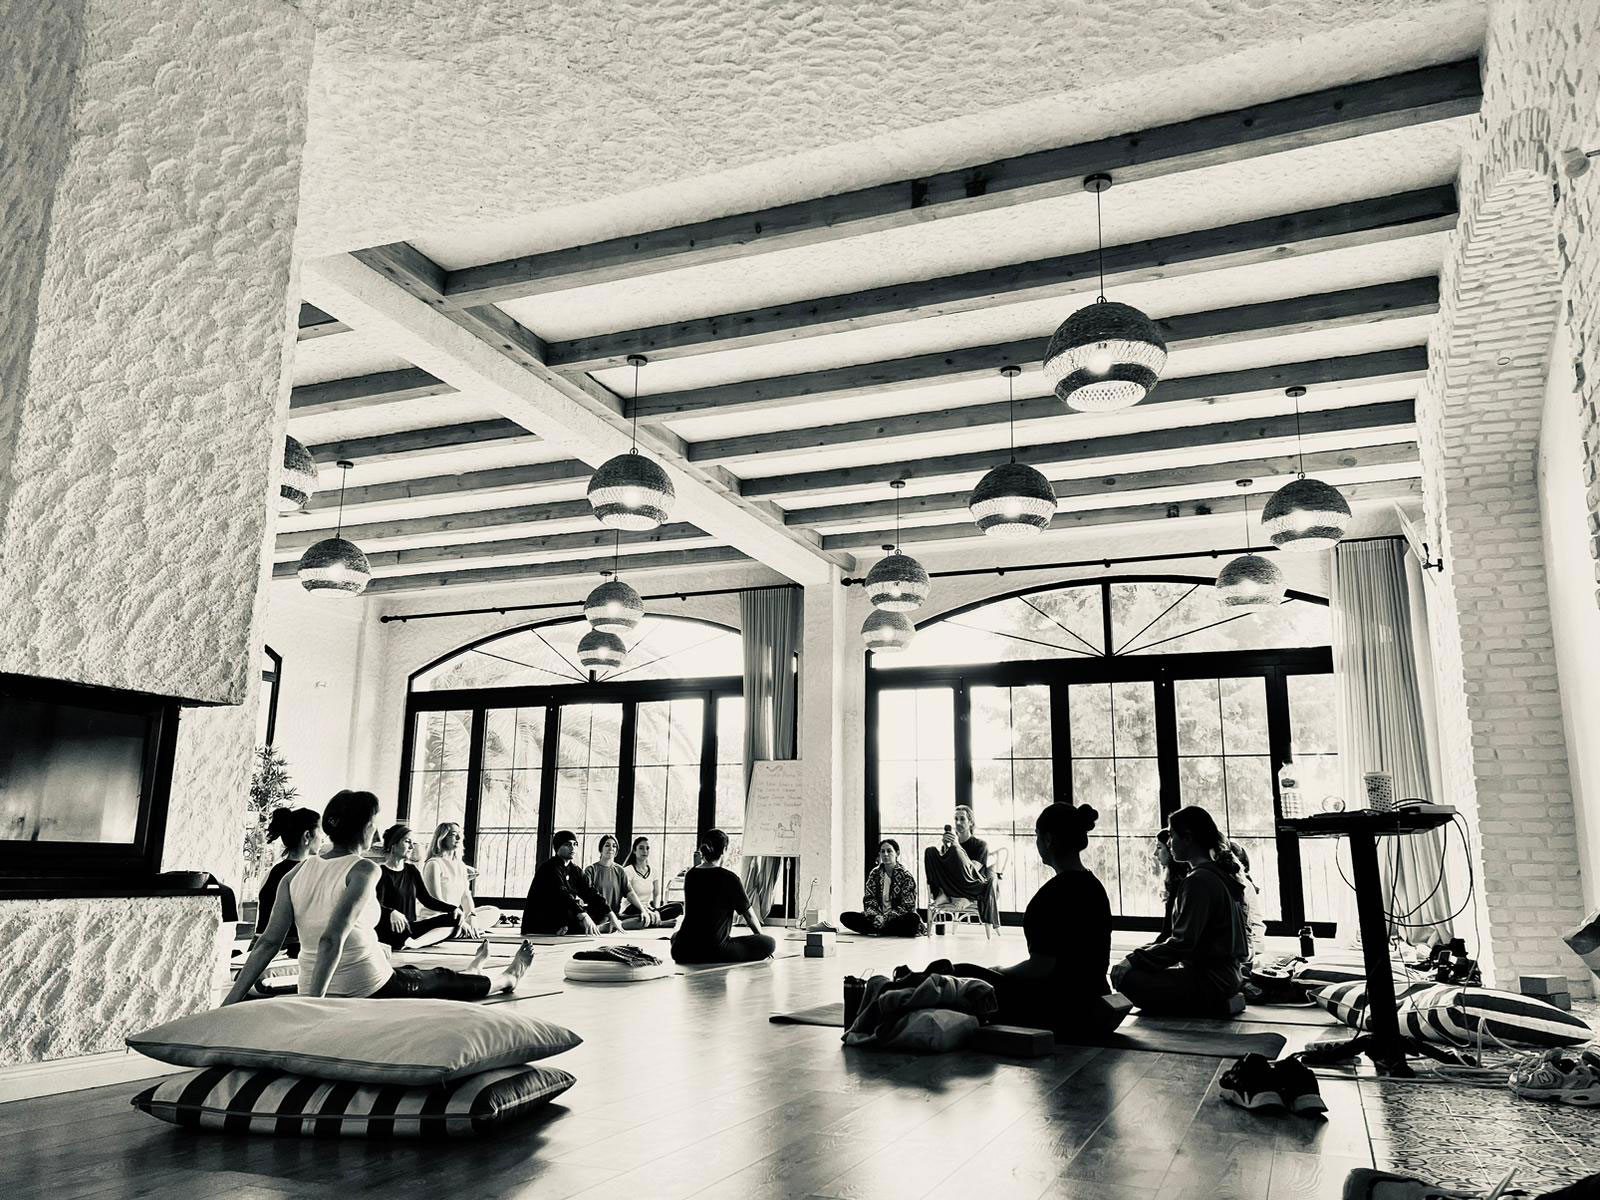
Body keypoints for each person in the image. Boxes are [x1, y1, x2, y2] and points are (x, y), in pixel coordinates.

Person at [225, 790, 533, 1003]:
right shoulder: (364, 870)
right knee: (440, 979)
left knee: (416, 973)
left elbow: (267, 942)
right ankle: (508, 978)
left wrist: (229, 1002)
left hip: (315, 982)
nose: (376, 831)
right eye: (374, 823)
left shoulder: (296, 873)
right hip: (367, 984)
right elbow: (331, 938)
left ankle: (474, 971)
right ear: (364, 828)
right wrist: (312, 1008)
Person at [882, 804, 1118, 1037]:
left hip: (1059, 1007)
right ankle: (901, 988)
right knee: (962, 974)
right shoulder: (1094, 887)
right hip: (1095, 1003)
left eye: (1037, 836)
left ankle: (890, 992)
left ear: (1047, 840)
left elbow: (1041, 967)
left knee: (962, 974)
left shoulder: (1053, 895)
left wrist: (1002, 971)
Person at [1111, 805, 1249, 1017]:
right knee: (1139, 967)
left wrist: (1133, 960)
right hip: (1229, 977)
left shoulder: (1199, 880)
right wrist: (1139, 957)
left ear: (1188, 838)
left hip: (1212, 981)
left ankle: (1214, 1006)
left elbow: (1182, 943)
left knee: (1129, 979)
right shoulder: (1217, 874)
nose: (1168, 842)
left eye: (1172, 835)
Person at [670, 828, 775, 965]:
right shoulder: (729, 878)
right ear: (724, 850)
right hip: (715, 951)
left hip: (682, 951)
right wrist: (760, 939)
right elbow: (749, 915)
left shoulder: (690, 875)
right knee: (769, 942)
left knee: (675, 936)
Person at [374, 823, 464, 951]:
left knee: (455, 920)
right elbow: (374, 904)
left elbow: (427, 900)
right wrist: (391, 912)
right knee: (398, 934)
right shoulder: (380, 872)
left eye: (413, 843)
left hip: (411, 927)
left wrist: (453, 909)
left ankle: (414, 943)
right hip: (390, 928)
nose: (412, 847)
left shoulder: (411, 870)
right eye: (407, 842)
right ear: (393, 844)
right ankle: (408, 941)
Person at [522, 830, 624, 936]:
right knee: (574, 911)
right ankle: (595, 928)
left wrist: (611, 914)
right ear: (557, 847)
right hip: (543, 916)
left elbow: (590, 892)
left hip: (564, 914)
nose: (573, 848)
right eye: (568, 844)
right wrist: (584, 916)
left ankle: (580, 927)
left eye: (575, 844)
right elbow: (563, 896)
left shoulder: (575, 870)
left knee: (600, 913)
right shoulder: (549, 868)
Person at [255, 807, 321, 957]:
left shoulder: (272, 871)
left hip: (260, 949)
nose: (323, 838)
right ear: (307, 835)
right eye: (321, 831)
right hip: (287, 952)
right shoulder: (307, 872)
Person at [923, 805, 999, 928]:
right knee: (930, 851)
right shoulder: (952, 846)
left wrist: (957, 847)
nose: (958, 823)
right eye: (956, 819)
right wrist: (946, 847)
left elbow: (972, 871)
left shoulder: (981, 844)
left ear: (971, 822)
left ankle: (967, 898)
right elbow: (946, 870)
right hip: (952, 884)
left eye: (962, 819)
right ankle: (943, 893)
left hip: (972, 886)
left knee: (955, 851)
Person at [420, 821, 502, 933]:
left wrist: (472, 916)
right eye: (454, 834)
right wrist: (460, 921)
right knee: (453, 924)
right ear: (442, 838)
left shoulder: (461, 865)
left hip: (455, 916)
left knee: (493, 911)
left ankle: (464, 929)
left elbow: (465, 896)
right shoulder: (433, 864)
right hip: (437, 917)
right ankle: (460, 929)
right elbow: (436, 902)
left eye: (460, 834)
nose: (458, 838)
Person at [840, 839, 921, 936]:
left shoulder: (906, 876)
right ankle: (884, 929)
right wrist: (876, 917)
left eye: (889, 851)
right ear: (879, 854)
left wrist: (885, 918)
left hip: (896, 919)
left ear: (897, 853)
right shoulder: (874, 874)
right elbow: (869, 900)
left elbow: (908, 906)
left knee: (913, 919)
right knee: (845, 917)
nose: (885, 854)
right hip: (877, 917)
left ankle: (879, 929)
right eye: (882, 851)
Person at [585, 835, 661, 930]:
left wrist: (643, 910)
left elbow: (630, 893)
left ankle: (611, 926)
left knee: (643, 919)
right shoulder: (591, 870)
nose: (611, 848)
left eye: (614, 846)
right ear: (601, 849)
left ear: (616, 851)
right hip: (597, 915)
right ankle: (605, 926)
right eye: (607, 845)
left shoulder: (620, 870)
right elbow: (589, 895)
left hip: (615, 915)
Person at [619, 835, 683, 925]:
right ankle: (660, 923)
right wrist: (644, 910)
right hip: (633, 908)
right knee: (639, 913)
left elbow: (656, 893)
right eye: (641, 848)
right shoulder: (627, 870)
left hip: (649, 908)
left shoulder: (653, 870)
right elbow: (629, 896)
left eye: (647, 848)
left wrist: (656, 910)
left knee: (678, 907)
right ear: (634, 851)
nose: (645, 851)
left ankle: (652, 919)